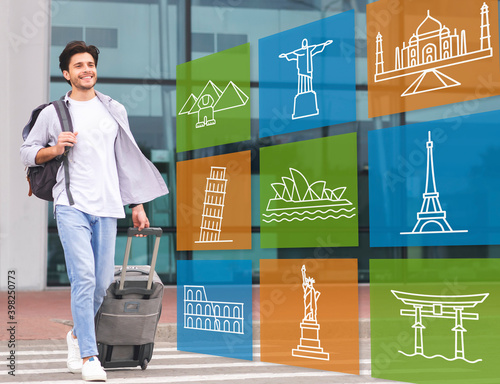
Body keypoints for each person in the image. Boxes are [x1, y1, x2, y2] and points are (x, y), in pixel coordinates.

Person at [20, 41, 169, 382]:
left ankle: (75, 336)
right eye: (78, 65)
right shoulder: (54, 113)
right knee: (84, 278)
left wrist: (138, 203)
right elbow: (26, 152)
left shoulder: (113, 109)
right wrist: (54, 148)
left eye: (90, 64)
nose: (86, 69)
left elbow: (125, 162)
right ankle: (90, 355)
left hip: (107, 207)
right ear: (66, 74)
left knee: (101, 284)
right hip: (71, 204)